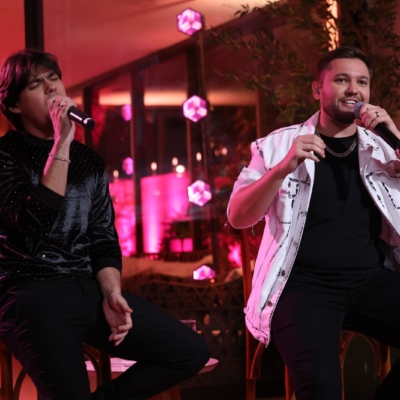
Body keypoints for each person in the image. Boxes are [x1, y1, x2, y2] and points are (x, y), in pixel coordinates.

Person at [0, 49, 210, 400]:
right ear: (14, 105)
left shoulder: (89, 160)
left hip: (89, 289)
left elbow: (103, 237)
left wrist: (112, 293)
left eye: (54, 78)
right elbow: (35, 222)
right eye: (36, 84)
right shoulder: (6, 155)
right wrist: (62, 142)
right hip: (32, 293)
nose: (51, 88)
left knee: (188, 351)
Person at [228, 45, 400, 400]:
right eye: (341, 80)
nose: (354, 90)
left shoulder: (383, 149)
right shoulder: (279, 146)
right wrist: (282, 169)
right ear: (317, 89)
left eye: (362, 82)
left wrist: (394, 136)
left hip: (370, 280)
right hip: (303, 288)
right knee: (320, 390)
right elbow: (238, 216)